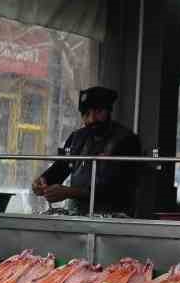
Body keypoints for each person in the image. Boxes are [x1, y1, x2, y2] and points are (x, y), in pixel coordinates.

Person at [31, 86, 142, 216]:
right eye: (86, 114)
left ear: (108, 111)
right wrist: (42, 181)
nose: (91, 119)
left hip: (115, 218)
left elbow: (117, 187)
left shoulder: (127, 140)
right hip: (79, 216)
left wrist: (69, 192)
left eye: (98, 111)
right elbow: (61, 167)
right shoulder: (76, 138)